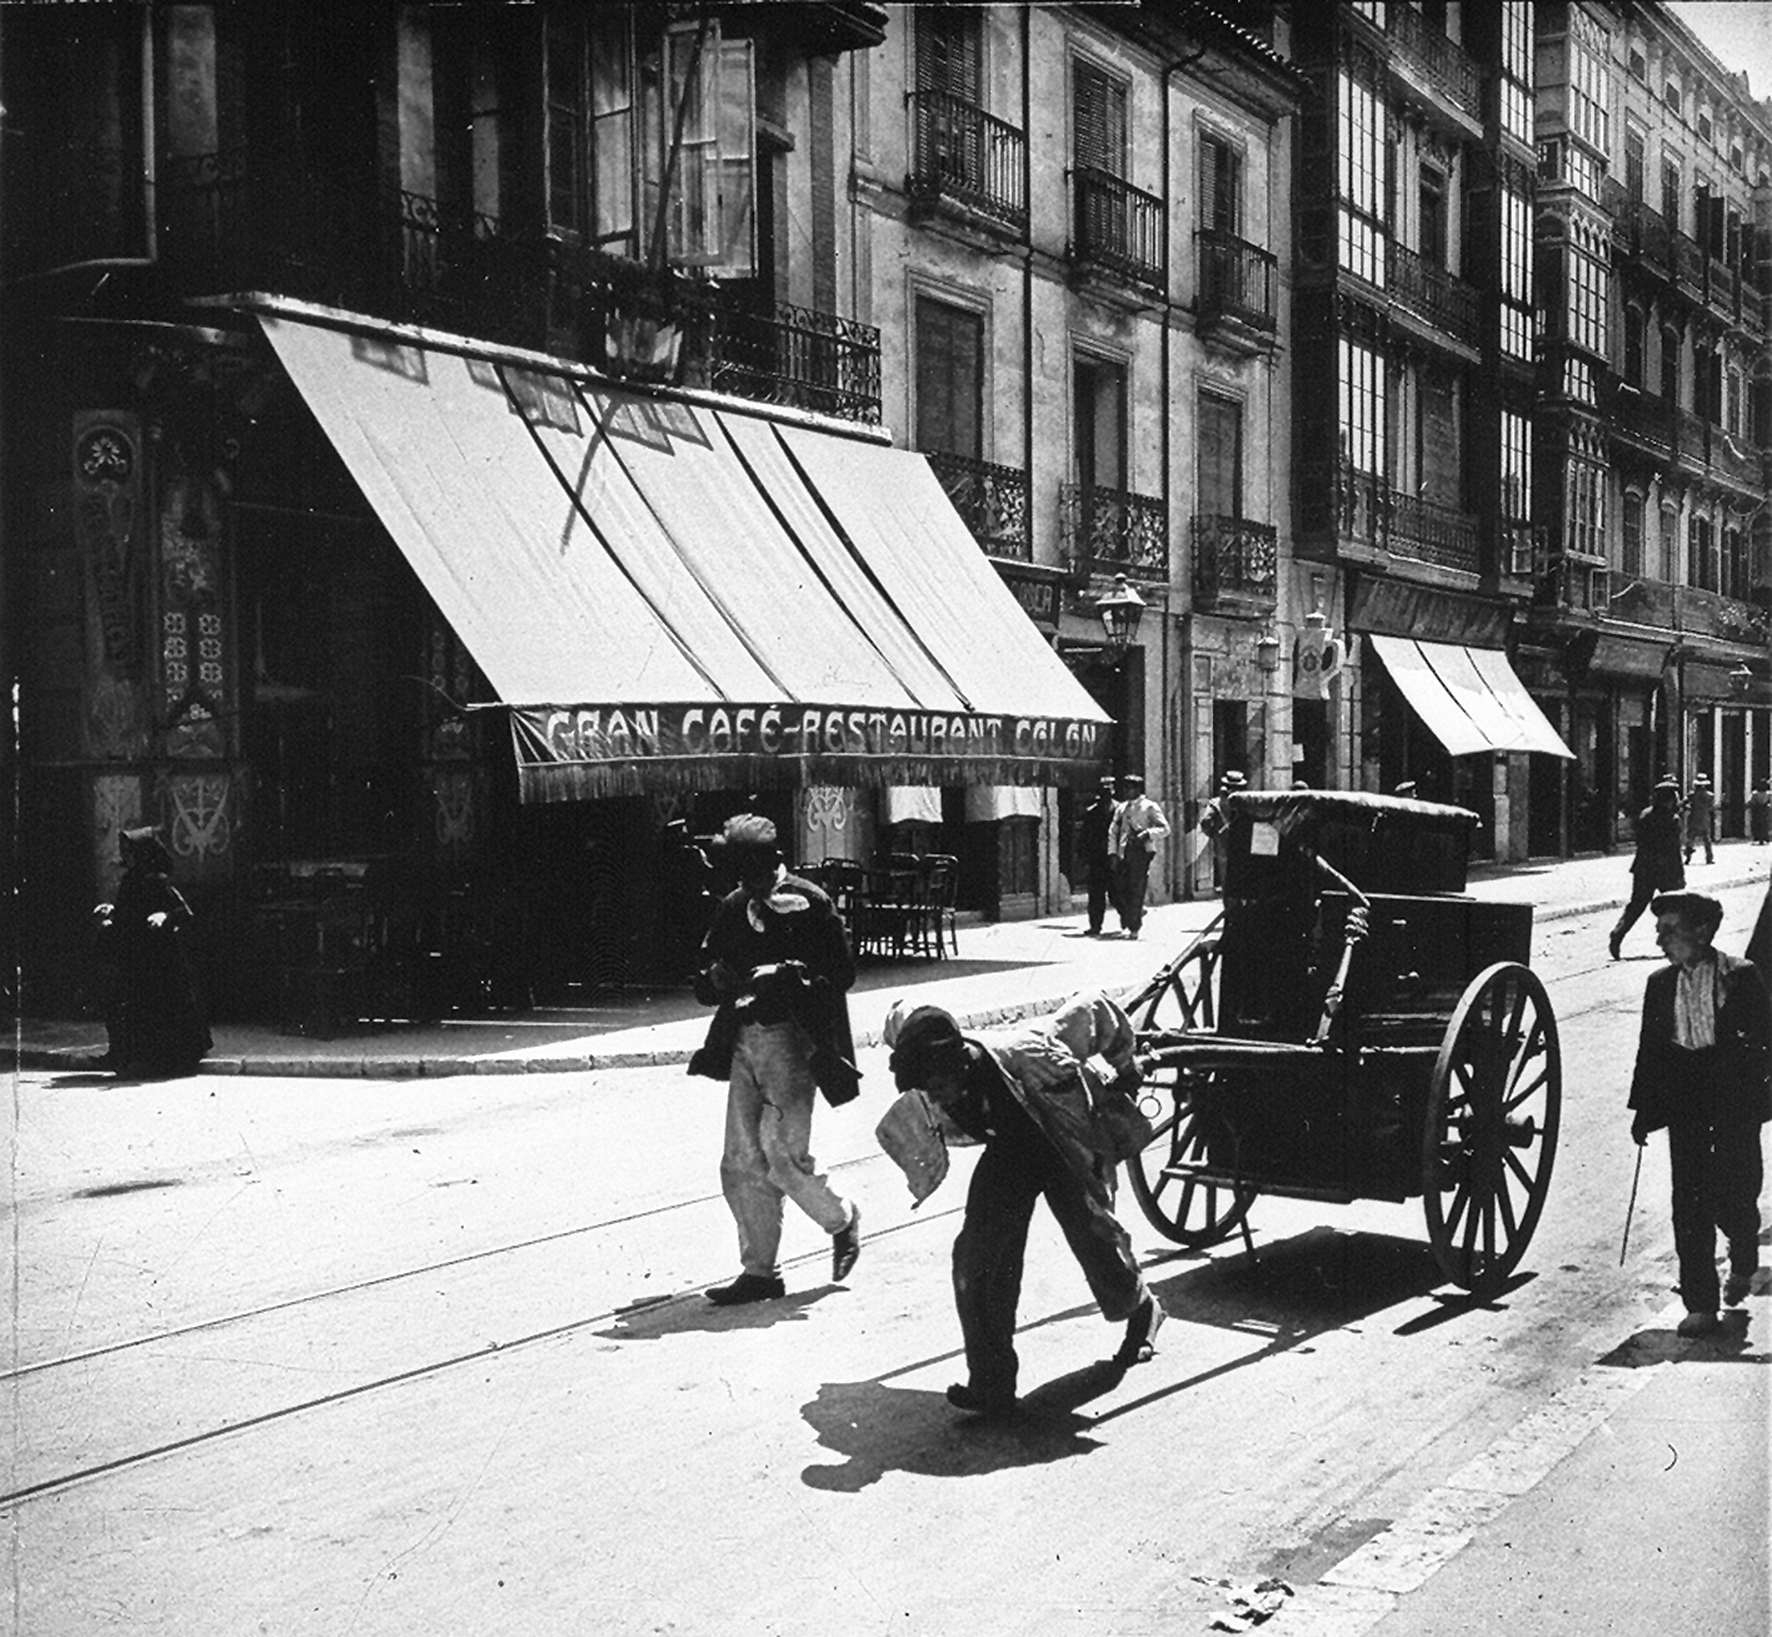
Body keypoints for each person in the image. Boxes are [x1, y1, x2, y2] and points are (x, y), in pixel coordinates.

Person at [884, 994, 1166, 1420]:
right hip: (1009, 1151)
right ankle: (992, 1383)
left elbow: (1094, 1009)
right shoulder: (935, 1071)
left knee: (1094, 1239)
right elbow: (901, 1019)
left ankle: (1143, 1310)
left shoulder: (1028, 1054)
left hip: (1059, 1145)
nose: (936, 1101)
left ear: (959, 1064)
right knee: (976, 1256)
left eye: (938, 1088)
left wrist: (1126, 1068)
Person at [689, 814, 863, 1305]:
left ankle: (841, 1218)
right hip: (744, 1039)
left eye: (753, 875)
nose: (748, 886)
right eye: (741, 878)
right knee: (741, 1159)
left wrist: (786, 974)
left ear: (770, 863)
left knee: (782, 1156)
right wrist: (714, 980)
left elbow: (841, 975)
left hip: (795, 1042)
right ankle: (760, 1272)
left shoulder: (812, 903)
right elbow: (707, 969)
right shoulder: (734, 905)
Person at [1627, 892, 1770, 1336]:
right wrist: (1642, 1112)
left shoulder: (1740, 977)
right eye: (1660, 930)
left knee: (1736, 1193)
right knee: (1688, 1202)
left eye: (1669, 930)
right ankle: (1701, 1303)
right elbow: (1649, 1053)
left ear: (1702, 932)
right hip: (1685, 1100)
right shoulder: (1660, 984)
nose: (1660, 940)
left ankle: (1743, 1253)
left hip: (1733, 1100)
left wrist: (1760, 1099)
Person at [91, 826, 212, 1077]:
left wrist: (163, 915)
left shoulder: (157, 880)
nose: (127, 856)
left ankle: (165, 1061)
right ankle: (122, 1056)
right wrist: (112, 911)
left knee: (160, 1006)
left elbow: (183, 912)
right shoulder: (131, 879)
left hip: (159, 958)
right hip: (135, 955)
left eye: (131, 851)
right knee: (125, 1005)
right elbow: (129, 912)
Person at [1609, 779, 1686, 960]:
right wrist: (1680, 875)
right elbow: (1674, 850)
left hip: (1644, 867)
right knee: (1675, 907)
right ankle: (1677, 944)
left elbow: (1640, 840)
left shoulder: (1645, 815)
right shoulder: (1672, 819)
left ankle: (1618, 933)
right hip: (1666, 870)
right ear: (1670, 799)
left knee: (1636, 905)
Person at [1109, 774, 1171, 939]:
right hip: (1123, 853)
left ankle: (1134, 927)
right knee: (1117, 891)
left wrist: (1148, 833)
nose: (1127, 791)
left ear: (1137, 789)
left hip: (1140, 853)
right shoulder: (1122, 808)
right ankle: (1133, 913)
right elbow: (1113, 831)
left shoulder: (1149, 807)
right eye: (1126, 787)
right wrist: (1112, 853)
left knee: (1136, 890)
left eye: (1129, 787)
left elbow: (1165, 828)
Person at [1076, 775, 1121, 937]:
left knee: (1116, 894)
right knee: (1096, 895)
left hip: (1114, 858)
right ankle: (1095, 926)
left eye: (1108, 791)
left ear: (1113, 792)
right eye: (1103, 792)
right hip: (1097, 859)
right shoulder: (1092, 812)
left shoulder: (1120, 811)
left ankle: (1128, 918)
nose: (1106, 795)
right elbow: (1084, 836)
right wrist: (1082, 856)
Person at [1684, 774, 1716, 865]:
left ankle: (1688, 858)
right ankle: (1709, 858)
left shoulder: (1691, 795)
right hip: (1704, 818)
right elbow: (1711, 807)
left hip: (1693, 818)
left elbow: (1684, 803)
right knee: (1707, 840)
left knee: (1691, 838)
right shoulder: (1710, 795)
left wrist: (1689, 807)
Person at [1748, 778, 1770, 846]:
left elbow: (1752, 802)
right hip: (1765, 811)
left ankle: (1757, 838)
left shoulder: (1755, 793)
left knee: (1756, 825)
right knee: (1764, 825)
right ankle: (1764, 839)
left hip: (1756, 811)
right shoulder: (1768, 794)